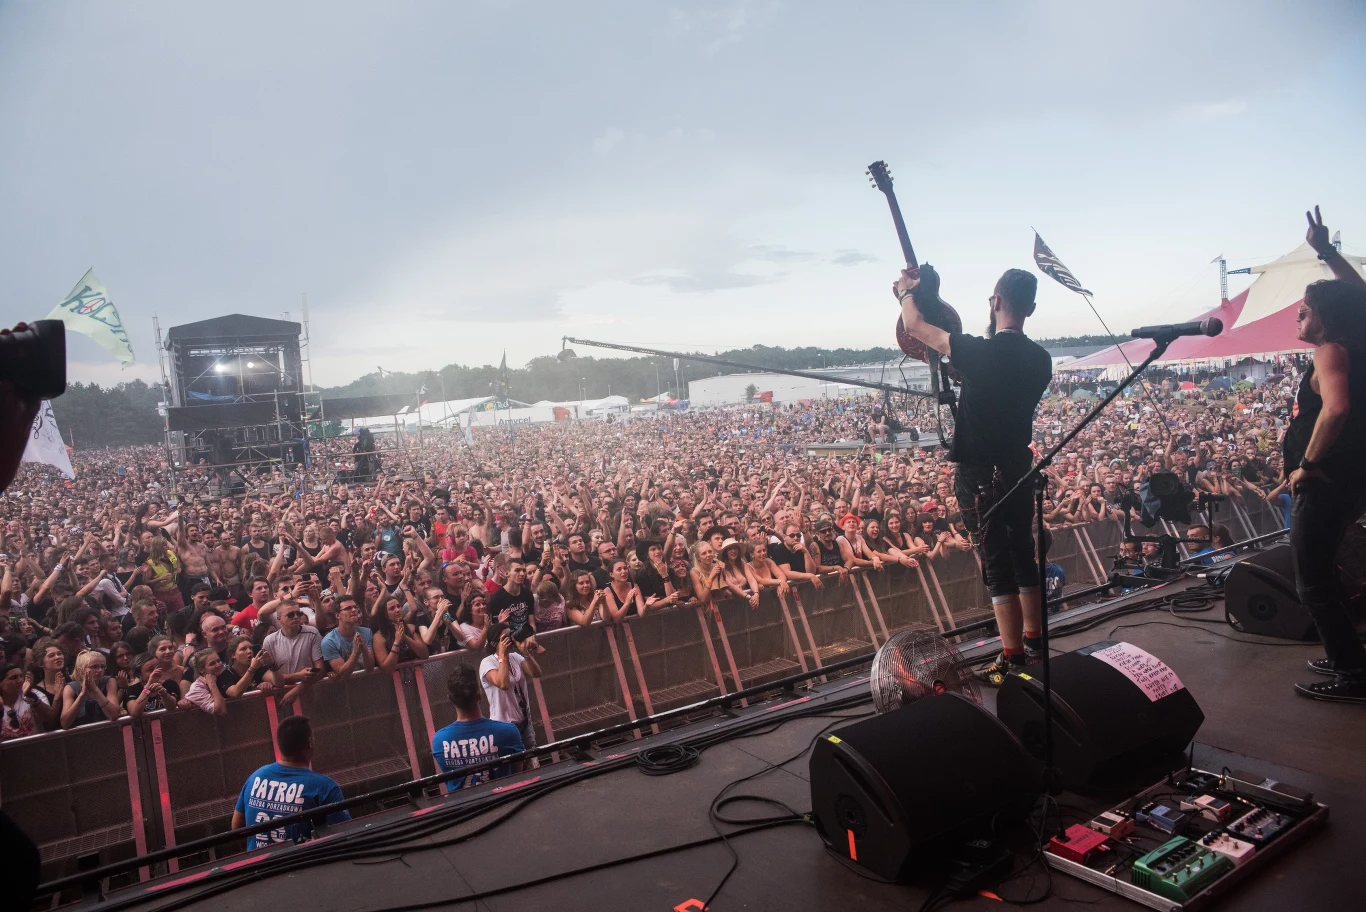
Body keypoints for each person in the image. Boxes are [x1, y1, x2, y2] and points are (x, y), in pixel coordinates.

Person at [896, 265, 1052, 685]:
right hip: (1019, 467)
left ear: (995, 302)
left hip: (979, 473)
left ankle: (1012, 656)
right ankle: (1036, 646)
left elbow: (914, 325)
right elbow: (998, 389)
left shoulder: (980, 354)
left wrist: (907, 291)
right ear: (1031, 308)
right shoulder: (1041, 359)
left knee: (996, 561)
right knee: (1023, 552)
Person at [1288, 207, 1366, 703]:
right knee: (1324, 572)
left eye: (1304, 309)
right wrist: (1327, 252)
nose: (1298, 315)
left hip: (1328, 479)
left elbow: (1334, 411)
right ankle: (1350, 655)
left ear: (1326, 319)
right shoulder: (1355, 341)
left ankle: (1352, 674)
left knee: (1312, 578)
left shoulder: (1332, 351)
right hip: (1350, 476)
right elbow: (1360, 295)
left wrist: (1308, 464)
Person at [231, 715, 350, 849]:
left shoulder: (255, 777)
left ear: (280, 744)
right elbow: (344, 835)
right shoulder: (325, 788)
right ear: (310, 742)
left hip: (258, 866)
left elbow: (236, 828)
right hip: (300, 865)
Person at [431, 665, 524, 791]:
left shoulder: (439, 740)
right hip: (503, 803)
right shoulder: (509, 732)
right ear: (479, 696)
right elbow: (517, 775)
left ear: (450, 699)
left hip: (463, 808)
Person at [479, 622, 542, 753]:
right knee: (514, 767)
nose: (510, 639)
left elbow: (536, 673)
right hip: (504, 725)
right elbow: (503, 684)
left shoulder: (516, 657)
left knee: (532, 761)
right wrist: (503, 656)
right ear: (494, 643)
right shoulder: (487, 663)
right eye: (505, 637)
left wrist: (526, 653)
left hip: (525, 722)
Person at [260, 599, 325, 684]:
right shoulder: (270, 641)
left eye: (298, 613)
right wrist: (298, 676)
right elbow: (269, 675)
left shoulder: (312, 633)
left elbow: (320, 669)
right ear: (279, 619)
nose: (296, 617)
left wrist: (298, 689)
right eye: (290, 615)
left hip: (310, 687)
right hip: (282, 691)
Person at [321, 595, 373, 678]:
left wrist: (364, 650)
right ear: (337, 615)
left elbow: (370, 668)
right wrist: (355, 653)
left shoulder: (366, 632)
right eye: (348, 608)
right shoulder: (329, 641)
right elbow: (343, 674)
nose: (354, 610)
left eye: (355, 607)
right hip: (345, 687)